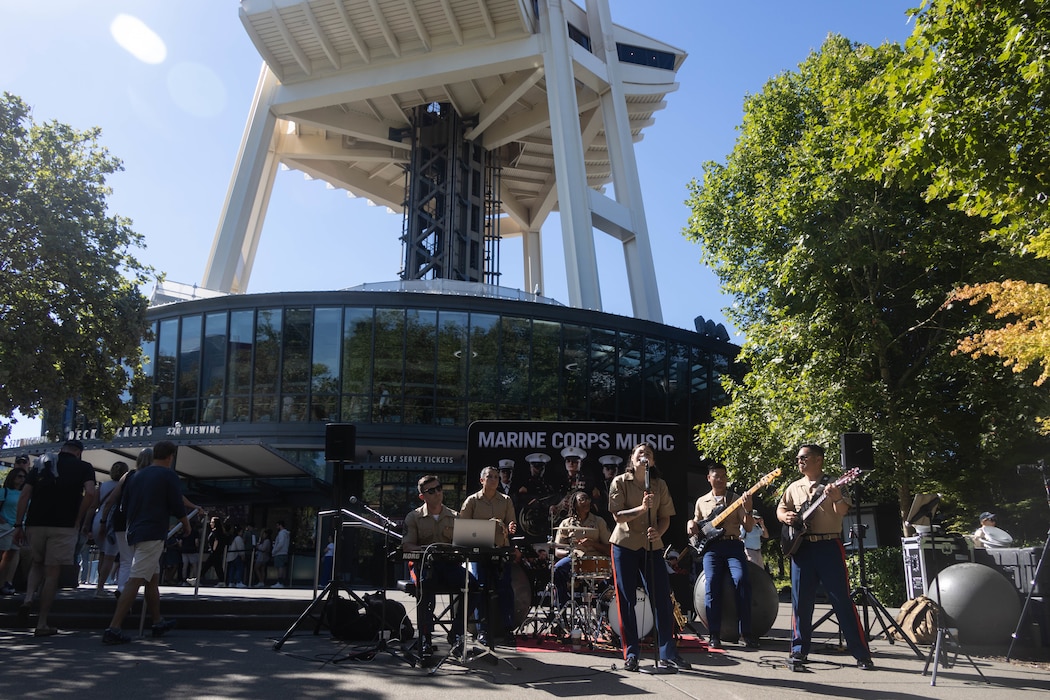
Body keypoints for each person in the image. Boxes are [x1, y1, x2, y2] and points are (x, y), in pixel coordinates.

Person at [777, 443, 874, 670]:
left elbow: (843, 511)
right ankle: (799, 651)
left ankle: (861, 654)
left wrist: (838, 497)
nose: (799, 461)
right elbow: (780, 510)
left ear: (818, 459)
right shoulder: (793, 487)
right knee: (801, 603)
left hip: (829, 545)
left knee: (842, 600)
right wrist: (786, 517)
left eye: (804, 457)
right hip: (802, 548)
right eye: (798, 458)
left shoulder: (834, 484)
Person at [609, 443, 690, 672]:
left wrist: (659, 532)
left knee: (662, 599)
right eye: (640, 453)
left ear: (652, 462)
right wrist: (642, 509)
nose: (645, 456)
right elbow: (617, 516)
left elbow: (665, 517)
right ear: (632, 460)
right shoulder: (620, 482)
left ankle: (667, 653)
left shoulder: (659, 485)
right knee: (627, 600)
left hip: (651, 545)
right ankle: (631, 653)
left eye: (649, 455)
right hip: (624, 545)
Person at [102, 440, 192, 644]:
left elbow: (124, 503)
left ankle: (157, 620)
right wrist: (186, 523)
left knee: (152, 578)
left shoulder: (136, 475)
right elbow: (176, 503)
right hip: (152, 531)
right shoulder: (167, 474)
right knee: (135, 580)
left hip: (134, 530)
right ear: (170, 457)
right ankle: (113, 627)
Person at [13, 440, 97, 636]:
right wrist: (78, 517)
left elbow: (25, 494)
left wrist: (19, 524)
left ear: (63, 449)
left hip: (35, 522)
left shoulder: (42, 463)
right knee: (52, 572)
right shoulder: (84, 467)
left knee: (36, 563)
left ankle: (27, 599)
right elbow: (90, 492)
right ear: (78, 452)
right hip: (64, 525)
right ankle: (42, 623)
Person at [687, 463, 759, 649]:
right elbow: (697, 522)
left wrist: (748, 509)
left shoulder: (735, 499)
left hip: (733, 545)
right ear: (709, 478)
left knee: (742, 581)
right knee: (712, 585)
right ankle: (714, 634)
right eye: (716, 475)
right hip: (712, 548)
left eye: (723, 476)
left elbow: (749, 527)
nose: (720, 479)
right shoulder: (702, 501)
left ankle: (746, 633)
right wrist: (690, 523)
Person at [402, 474, 471, 658]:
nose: (437, 493)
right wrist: (426, 549)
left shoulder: (455, 516)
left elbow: (464, 543)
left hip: (449, 566)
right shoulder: (414, 517)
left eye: (439, 488)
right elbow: (407, 545)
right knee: (425, 587)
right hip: (424, 565)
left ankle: (456, 633)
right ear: (422, 496)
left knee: (474, 585)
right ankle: (425, 640)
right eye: (431, 491)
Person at [459, 465, 518, 643]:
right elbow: (462, 528)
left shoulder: (506, 500)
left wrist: (511, 527)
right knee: (480, 587)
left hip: (500, 550)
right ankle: (482, 629)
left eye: (496, 477)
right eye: (490, 477)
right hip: (479, 551)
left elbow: (511, 522)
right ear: (482, 480)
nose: (494, 480)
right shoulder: (472, 501)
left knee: (504, 588)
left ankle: (507, 629)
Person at [552, 489, 610, 609]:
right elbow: (557, 551)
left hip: (595, 561)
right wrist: (570, 552)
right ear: (574, 504)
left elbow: (609, 548)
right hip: (574, 559)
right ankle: (562, 609)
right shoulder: (566, 523)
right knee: (557, 570)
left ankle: (605, 611)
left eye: (587, 499)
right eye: (582, 499)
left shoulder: (598, 521)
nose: (586, 502)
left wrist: (593, 544)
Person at [92, 460, 130, 598]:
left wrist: (86, 524)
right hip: (110, 522)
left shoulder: (102, 486)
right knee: (109, 556)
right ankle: (100, 587)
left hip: (97, 520)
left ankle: (99, 584)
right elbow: (111, 504)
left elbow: (93, 506)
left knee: (102, 553)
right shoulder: (122, 487)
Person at [0, 459, 29, 595]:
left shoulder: (26, 494)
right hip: (5, 527)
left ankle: (8, 581)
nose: (22, 479)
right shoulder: (4, 491)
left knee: (13, 554)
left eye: (24, 477)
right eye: (19, 476)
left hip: (19, 527)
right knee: (3, 555)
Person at [271, 520, 290, 588]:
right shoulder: (286, 534)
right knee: (283, 567)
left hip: (280, 552)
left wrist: (275, 550)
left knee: (280, 567)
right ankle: (282, 582)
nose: (276, 527)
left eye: (277, 525)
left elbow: (281, 543)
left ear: (280, 525)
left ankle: (280, 582)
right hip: (284, 552)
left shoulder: (281, 533)